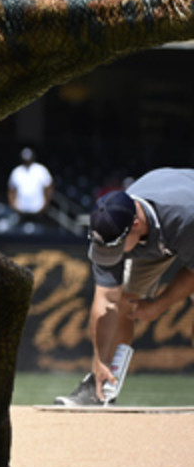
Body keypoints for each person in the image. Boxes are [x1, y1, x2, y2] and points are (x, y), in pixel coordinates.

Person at [55, 170, 194, 406]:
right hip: (156, 239)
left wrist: (159, 305)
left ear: (136, 224)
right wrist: (99, 360)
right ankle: (102, 386)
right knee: (123, 303)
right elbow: (105, 300)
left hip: (184, 226)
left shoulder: (185, 217)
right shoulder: (111, 224)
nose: (110, 256)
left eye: (115, 248)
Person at [7, 147, 53, 226]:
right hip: (21, 210)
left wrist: (45, 205)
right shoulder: (16, 171)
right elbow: (11, 190)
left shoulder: (41, 169)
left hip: (38, 210)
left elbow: (49, 188)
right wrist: (14, 206)